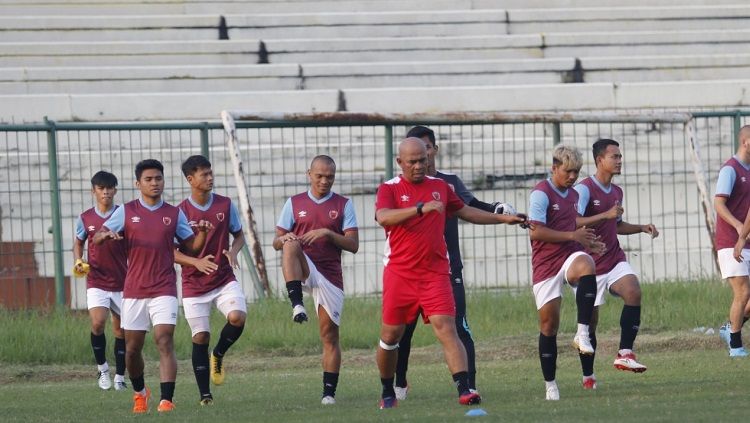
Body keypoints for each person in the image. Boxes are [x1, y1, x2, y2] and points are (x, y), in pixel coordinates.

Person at [374, 138, 525, 409]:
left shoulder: (441, 187)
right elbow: (383, 217)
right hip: (400, 275)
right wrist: (420, 209)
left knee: (447, 328)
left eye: (423, 159)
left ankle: (465, 389)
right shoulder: (390, 188)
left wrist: (503, 219)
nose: (420, 165)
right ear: (400, 163)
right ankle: (387, 391)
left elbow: (465, 211)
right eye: (413, 161)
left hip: (435, 273)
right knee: (391, 337)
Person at [94, 159, 211, 413]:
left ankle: (166, 400)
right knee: (132, 350)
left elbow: (191, 247)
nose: (154, 183)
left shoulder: (173, 213)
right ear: (138, 184)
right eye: (148, 179)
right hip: (134, 290)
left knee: (164, 339)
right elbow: (98, 235)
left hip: (164, 288)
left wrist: (201, 234)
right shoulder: (126, 211)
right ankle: (140, 392)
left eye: (158, 178)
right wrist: (104, 235)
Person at [273, 155, 359, 405]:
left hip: (330, 275)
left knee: (329, 335)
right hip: (304, 266)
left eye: (329, 177)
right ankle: (296, 304)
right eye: (319, 175)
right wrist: (288, 237)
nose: (324, 181)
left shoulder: (344, 204)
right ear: (308, 174)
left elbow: (353, 245)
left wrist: (327, 233)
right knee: (289, 244)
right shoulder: (294, 203)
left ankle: (328, 394)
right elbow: (276, 242)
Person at [574, 139, 659, 389]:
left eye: (620, 156)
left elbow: (616, 225)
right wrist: (604, 215)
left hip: (613, 260)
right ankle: (588, 377)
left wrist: (641, 227)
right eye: (615, 156)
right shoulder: (584, 189)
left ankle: (625, 353)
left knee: (633, 290)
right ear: (600, 160)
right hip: (588, 266)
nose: (620, 160)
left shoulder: (616, 192)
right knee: (589, 326)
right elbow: (573, 221)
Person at [527, 144, 605, 401]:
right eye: (568, 171)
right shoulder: (541, 194)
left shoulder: (573, 195)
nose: (573, 177)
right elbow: (536, 231)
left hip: (569, 255)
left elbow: (572, 227)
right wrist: (573, 235)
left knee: (587, 265)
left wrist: (587, 243)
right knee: (549, 326)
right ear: (554, 168)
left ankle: (582, 333)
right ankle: (551, 385)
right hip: (545, 264)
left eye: (576, 172)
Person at [174, 155, 248, 406]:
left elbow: (239, 235)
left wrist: (234, 251)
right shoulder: (180, 212)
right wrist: (195, 262)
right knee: (200, 337)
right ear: (190, 179)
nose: (210, 178)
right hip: (194, 285)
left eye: (210, 172)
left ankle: (218, 354)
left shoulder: (226, 205)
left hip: (223, 277)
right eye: (204, 174)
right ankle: (205, 395)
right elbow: (172, 251)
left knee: (238, 317)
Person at [73, 170, 128, 391]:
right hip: (96, 280)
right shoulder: (85, 217)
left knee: (121, 331)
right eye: (101, 188)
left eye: (109, 188)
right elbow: (78, 241)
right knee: (97, 323)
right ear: (93, 191)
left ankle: (120, 377)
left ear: (115, 190)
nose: (105, 192)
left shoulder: (123, 214)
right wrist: (79, 259)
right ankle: (103, 369)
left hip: (123, 281)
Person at [716, 125, 750, 358]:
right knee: (743, 291)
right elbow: (719, 204)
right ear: (746, 142)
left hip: (745, 239)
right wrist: (739, 228)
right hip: (730, 241)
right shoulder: (730, 169)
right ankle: (736, 346)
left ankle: (730, 328)